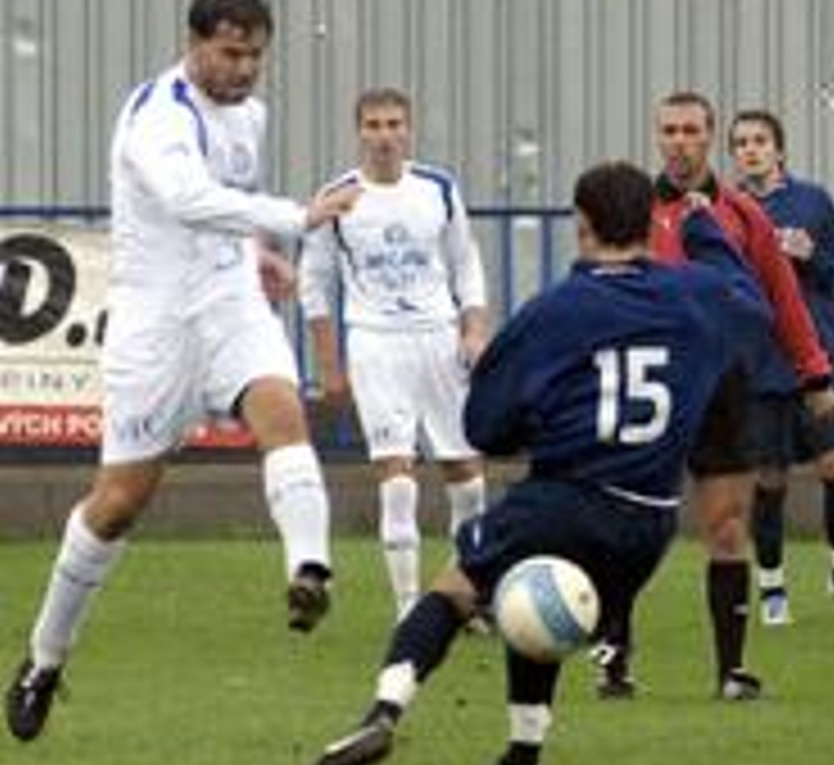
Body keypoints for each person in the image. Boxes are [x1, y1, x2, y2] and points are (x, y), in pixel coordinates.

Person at [309, 159, 769, 765]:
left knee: (456, 589)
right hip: (650, 522)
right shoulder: (699, 298)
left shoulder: (557, 309)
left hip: (568, 497)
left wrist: (532, 427)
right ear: (648, 225)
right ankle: (523, 751)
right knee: (536, 598)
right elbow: (753, 305)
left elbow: (485, 427)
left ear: (583, 225)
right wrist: (705, 231)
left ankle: (383, 712)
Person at [3, 0, 361, 743]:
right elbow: (186, 199)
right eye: (230, 53)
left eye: (255, 55)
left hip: (230, 306)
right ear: (194, 44)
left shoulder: (249, 115)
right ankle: (44, 658)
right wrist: (295, 217)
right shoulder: (157, 115)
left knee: (282, 412)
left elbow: (224, 205)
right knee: (117, 505)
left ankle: (309, 571)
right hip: (156, 327)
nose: (244, 69)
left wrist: (254, 252)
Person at [593, 91, 834, 701]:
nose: (679, 142)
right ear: (658, 137)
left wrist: (815, 374)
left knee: (728, 526)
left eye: (691, 131)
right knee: (628, 525)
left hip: (723, 385)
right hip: (648, 382)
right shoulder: (632, 211)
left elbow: (783, 296)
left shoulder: (742, 214)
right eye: (670, 131)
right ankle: (615, 657)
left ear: (709, 138)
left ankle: (731, 671)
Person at [300, 88, 490, 622]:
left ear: (408, 130)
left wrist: (475, 329)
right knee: (398, 477)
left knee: (468, 478)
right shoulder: (338, 196)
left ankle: (464, 594)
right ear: (359, 131)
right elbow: (315, 285)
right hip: (375, 342)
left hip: (439, 338)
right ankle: (409, 611)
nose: (384, 135)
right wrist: (329, 365)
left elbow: (465, 262)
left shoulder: (438, 188)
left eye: (393, 124)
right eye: (374, 125)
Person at [726, 109, 834, 627]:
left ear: (779, 150)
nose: (751, 150)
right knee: (769, 479)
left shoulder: (812, 202)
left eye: (760, 140)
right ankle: (772, 589)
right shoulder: (726, 210)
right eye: (741, 143)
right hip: (758, 365)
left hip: (815, 364)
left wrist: (811, 255)